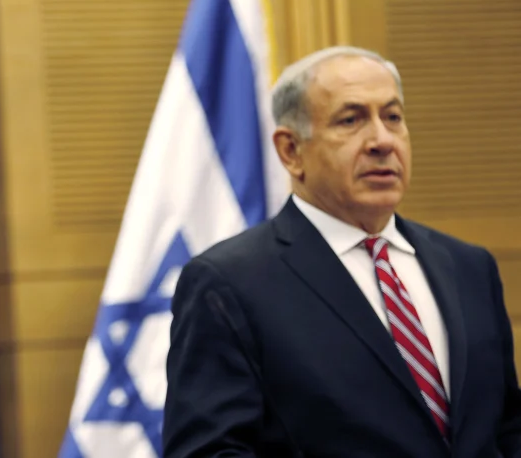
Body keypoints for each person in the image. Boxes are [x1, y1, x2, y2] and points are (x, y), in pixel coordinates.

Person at [163, 46, 521, 457]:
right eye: (351, 120)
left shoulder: (469, 267)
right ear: (291, 151)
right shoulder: (228, 283)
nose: (382, 141)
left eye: (393, 117)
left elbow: (506, 424)